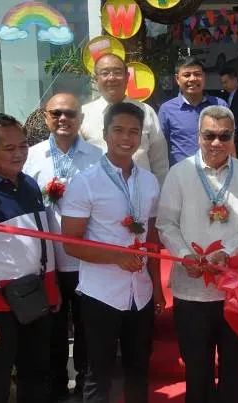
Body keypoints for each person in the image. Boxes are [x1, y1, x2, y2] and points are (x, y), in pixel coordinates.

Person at [157, 105, 238, 403]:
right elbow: (166, 223)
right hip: (191, 290)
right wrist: (184, 255)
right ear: (198, 136)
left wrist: (227, 253)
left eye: (224, 136)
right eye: (209, 135)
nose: (216, 143)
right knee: (197, 370)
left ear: (233, 137)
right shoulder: (179, 173)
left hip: (235, 289)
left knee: (234, 367)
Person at [61, 103, 164, 403]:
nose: (126, 137)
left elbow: (152, 237)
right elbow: (71, 242)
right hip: (100, 294)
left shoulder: (149, 181)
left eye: (134, 132)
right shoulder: (85, 181)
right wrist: (116, 257)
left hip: (140, 294)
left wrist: (156, 286)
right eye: (118, 129)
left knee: (138, 369)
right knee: (99, 373)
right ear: (105, 134)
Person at [0, 113, 60, 403]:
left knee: (35, 373)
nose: (19, 154)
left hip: (33, 296)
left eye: (23, 145)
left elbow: (38, 242)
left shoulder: (29, 184)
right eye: (9, 148)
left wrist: (51, 292)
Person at [23, 93, 102, 400]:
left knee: (87, 329)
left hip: (85, 260)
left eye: (70, 113)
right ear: (46, 117)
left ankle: (85, 383)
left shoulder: (97, 157)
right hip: (46, 262)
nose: (63, 119)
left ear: (81, 118)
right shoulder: (31, 158)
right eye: (56, 113)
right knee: (52, 329)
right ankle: (55, 387)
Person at [80, 53, 169, 185]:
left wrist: (160, 195)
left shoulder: (146, 112)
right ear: (95, 78)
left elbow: (159, 162)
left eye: (117, 72)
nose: (111, 78)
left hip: (142, 193)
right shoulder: (83, 114)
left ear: (127, 77)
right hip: (98, 194)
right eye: (105, 73)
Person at [158, 56, 228, 167]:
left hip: (216, 173)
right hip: (182, 176)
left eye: (197, 74)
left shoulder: (220, 105)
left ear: (204, 77)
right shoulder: (167, 110)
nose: (192, 79)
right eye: (186, 75)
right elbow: (160, 148)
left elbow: (229, 140)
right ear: (177, 79)